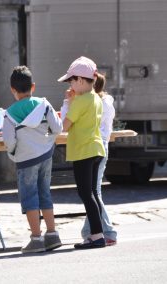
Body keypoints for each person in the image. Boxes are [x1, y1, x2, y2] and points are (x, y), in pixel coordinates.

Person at [2, 65, 63, 253]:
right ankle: (52, 234)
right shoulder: (45, 105)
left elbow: (9, 141)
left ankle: (36, 238)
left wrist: (13, 153)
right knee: (45, 193)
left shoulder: (10, 113)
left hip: (26, 160)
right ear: (33, 86)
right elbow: (58, 128)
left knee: (30, 197)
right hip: (46, 155)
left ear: (13, 90)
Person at [58, 56, 106, 249]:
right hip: (95, 148)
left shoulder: (79, 101)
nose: (70, 84)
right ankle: (98, 233)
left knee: (86, 193)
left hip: (83, 151)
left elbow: (65, 126)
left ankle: (97, 235)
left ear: (79, 80)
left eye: (71, 80)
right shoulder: (95, 98)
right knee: (92, 193)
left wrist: (68, 102)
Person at [80, 73, 117, 246]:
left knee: (93, 192)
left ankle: (108, 231)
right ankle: (91, 231)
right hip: (102, 146)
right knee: (94, 191)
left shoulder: (95, 103)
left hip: (94, 147)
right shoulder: (106, 101)